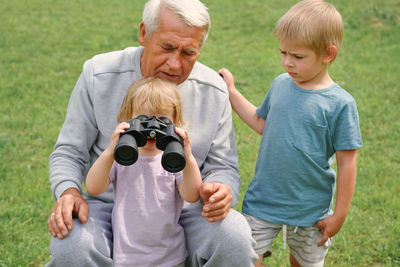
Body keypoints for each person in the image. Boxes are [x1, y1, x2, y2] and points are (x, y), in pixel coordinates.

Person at [46, 0, 257, 266]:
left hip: (185, 205)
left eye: (188, 53)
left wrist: (222, 189)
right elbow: (69, 152)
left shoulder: (213, 90)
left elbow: (223, 166)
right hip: (107, 207)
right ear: (144, 33)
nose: (174, 64)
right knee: (72, 244)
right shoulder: (98, 74)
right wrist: (69, 192)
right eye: (167, 47)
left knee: (234, 236)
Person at [218, 0, 363, 266]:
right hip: (264, 201)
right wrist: (231, 92)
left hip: (310, 211)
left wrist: (339, 215)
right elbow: (263, 123)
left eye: (297, 57)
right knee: (246, 258)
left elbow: (347, 161)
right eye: (283, 53)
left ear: (328, 54)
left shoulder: (340, 104)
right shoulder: (281, 84)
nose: (287, 63)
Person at [85, 77, 202, 267]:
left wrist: (188, 158)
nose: (152, 130)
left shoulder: (172, 158)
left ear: (175, 123)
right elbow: (93, 187)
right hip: (128, 256)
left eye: (162, 121)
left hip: (170, 256)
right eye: (143, 120)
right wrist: (109, 152)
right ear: (127, 118)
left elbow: (192, 194)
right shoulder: (123, 156)